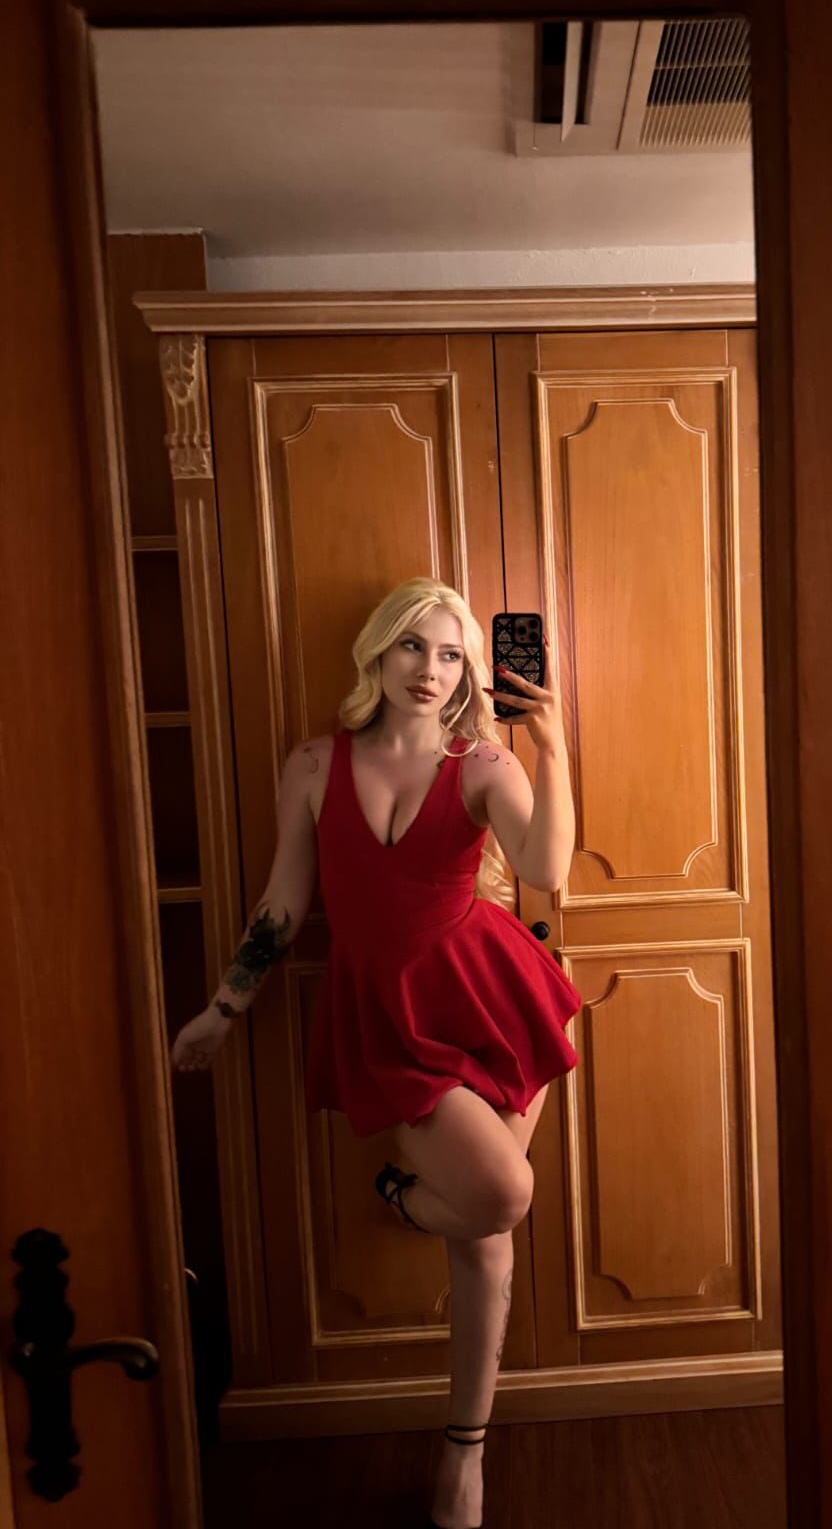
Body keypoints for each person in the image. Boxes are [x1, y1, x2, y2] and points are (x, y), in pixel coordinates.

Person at [170, 575, 583, 1529]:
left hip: (499, 998)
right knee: (501, 1198)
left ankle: (463, 1452)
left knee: (486, 1235)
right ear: (377, 652)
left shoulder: (483, 763)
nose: (430, 670)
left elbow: (545, 870)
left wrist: (552, 745)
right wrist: (224, 1009)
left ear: (469, 671)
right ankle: (406, 1199)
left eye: (451, 655)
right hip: (392, 1019)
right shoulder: (314, 765)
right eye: (412, 647)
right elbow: (284, 904)